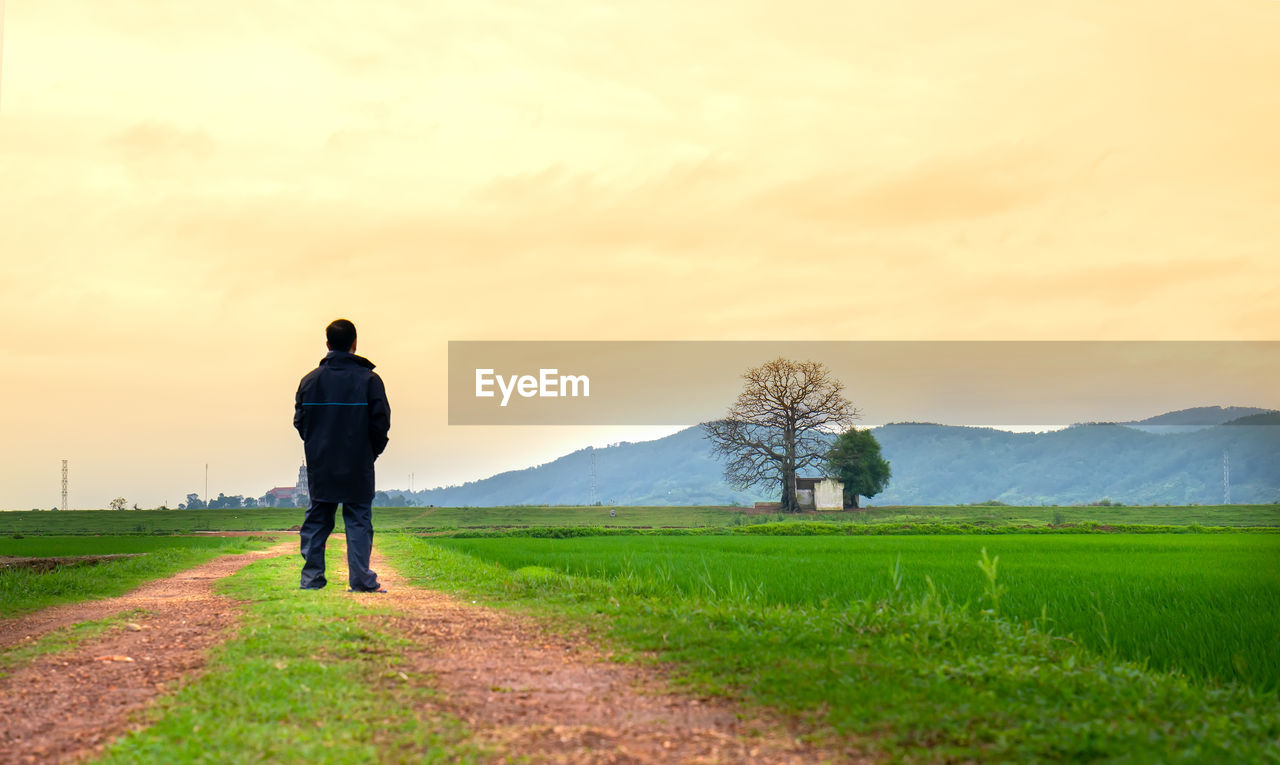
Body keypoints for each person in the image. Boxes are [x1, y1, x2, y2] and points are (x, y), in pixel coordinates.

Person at [293, 318, 391, 592]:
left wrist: (316, 447)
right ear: (354, 343)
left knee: (317, 520)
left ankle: (311, 580)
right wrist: (370, 453)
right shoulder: (369, 380)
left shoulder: (309, 382)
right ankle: (360, 580)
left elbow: (300, 422)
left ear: (327, 344)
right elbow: (381, 424)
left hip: (321, 463)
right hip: (358, 463)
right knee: (358, 521)